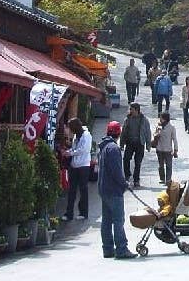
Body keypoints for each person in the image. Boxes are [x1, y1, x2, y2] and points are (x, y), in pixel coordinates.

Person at [97, 120, 136, 259]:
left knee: (107, 221)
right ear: (119, 133)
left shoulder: (104, 147)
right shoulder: (113, 148)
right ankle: (121, 249)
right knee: (118, 220)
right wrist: (125, 184)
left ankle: (107, 249)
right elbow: (116, 171)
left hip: (104, 189)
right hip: (113, 190)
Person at [61, 117, 92, 220]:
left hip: (84, 165)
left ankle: (83, 212)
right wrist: (69, 151)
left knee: (83, 189)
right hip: (74, 165)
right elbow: (75, 148)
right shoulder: (76, 136)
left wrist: (70, 153)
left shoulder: (86, 135)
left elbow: (84, 149)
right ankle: (69, 213)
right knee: (72, 189)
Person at [119, 102, 153, 189]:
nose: (130, 111)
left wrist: (148, 144)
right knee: (126, 159)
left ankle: (136, 180)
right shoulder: (127, 119)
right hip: (130, 142)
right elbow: (123, 132)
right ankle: (127, 175)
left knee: (138, 162)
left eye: (131, 109)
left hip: (140, 143)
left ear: (136, 110)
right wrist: (122, 144)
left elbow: (148, 133)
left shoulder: (144, 120)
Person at [151, 111, 178, 184]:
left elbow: (174, 139)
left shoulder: (172, 128)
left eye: (161, 118)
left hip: (168, 150)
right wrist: (157, 134)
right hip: (159, 148)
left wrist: (175, 150)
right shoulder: (158, 126)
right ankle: (162, 178)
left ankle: (168, 179)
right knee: (161, 165)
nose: (160, 119)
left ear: (165, 119)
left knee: (169, 165)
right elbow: (154, 134)